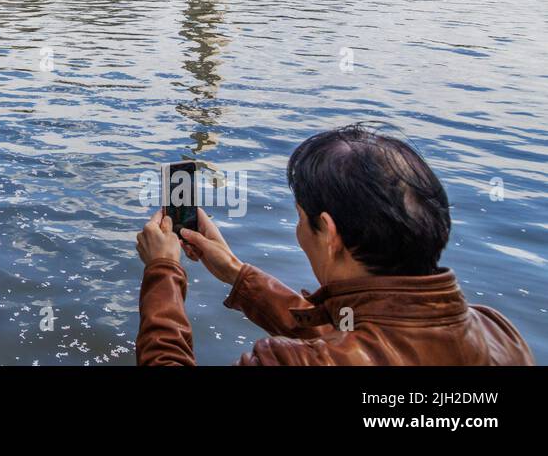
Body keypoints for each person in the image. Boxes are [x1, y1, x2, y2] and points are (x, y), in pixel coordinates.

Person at [135, 123, 534, 365]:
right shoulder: (498, 333)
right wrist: (237, 273)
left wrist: (163, 273)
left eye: (300, 218)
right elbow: (355, 337)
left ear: (329, 232)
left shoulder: (288, 362)